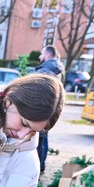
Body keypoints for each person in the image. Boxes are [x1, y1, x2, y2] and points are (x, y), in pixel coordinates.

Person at [35, 46, 63, 174]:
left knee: (39, 139)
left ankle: (38, 167)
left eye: (41, 54)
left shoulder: (45, 70)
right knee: (44, 137)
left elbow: (33, 88)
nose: (40, 57)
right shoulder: (58, 69)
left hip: (40, 108)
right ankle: (41, 166)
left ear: (47, 55)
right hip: (50, 108)